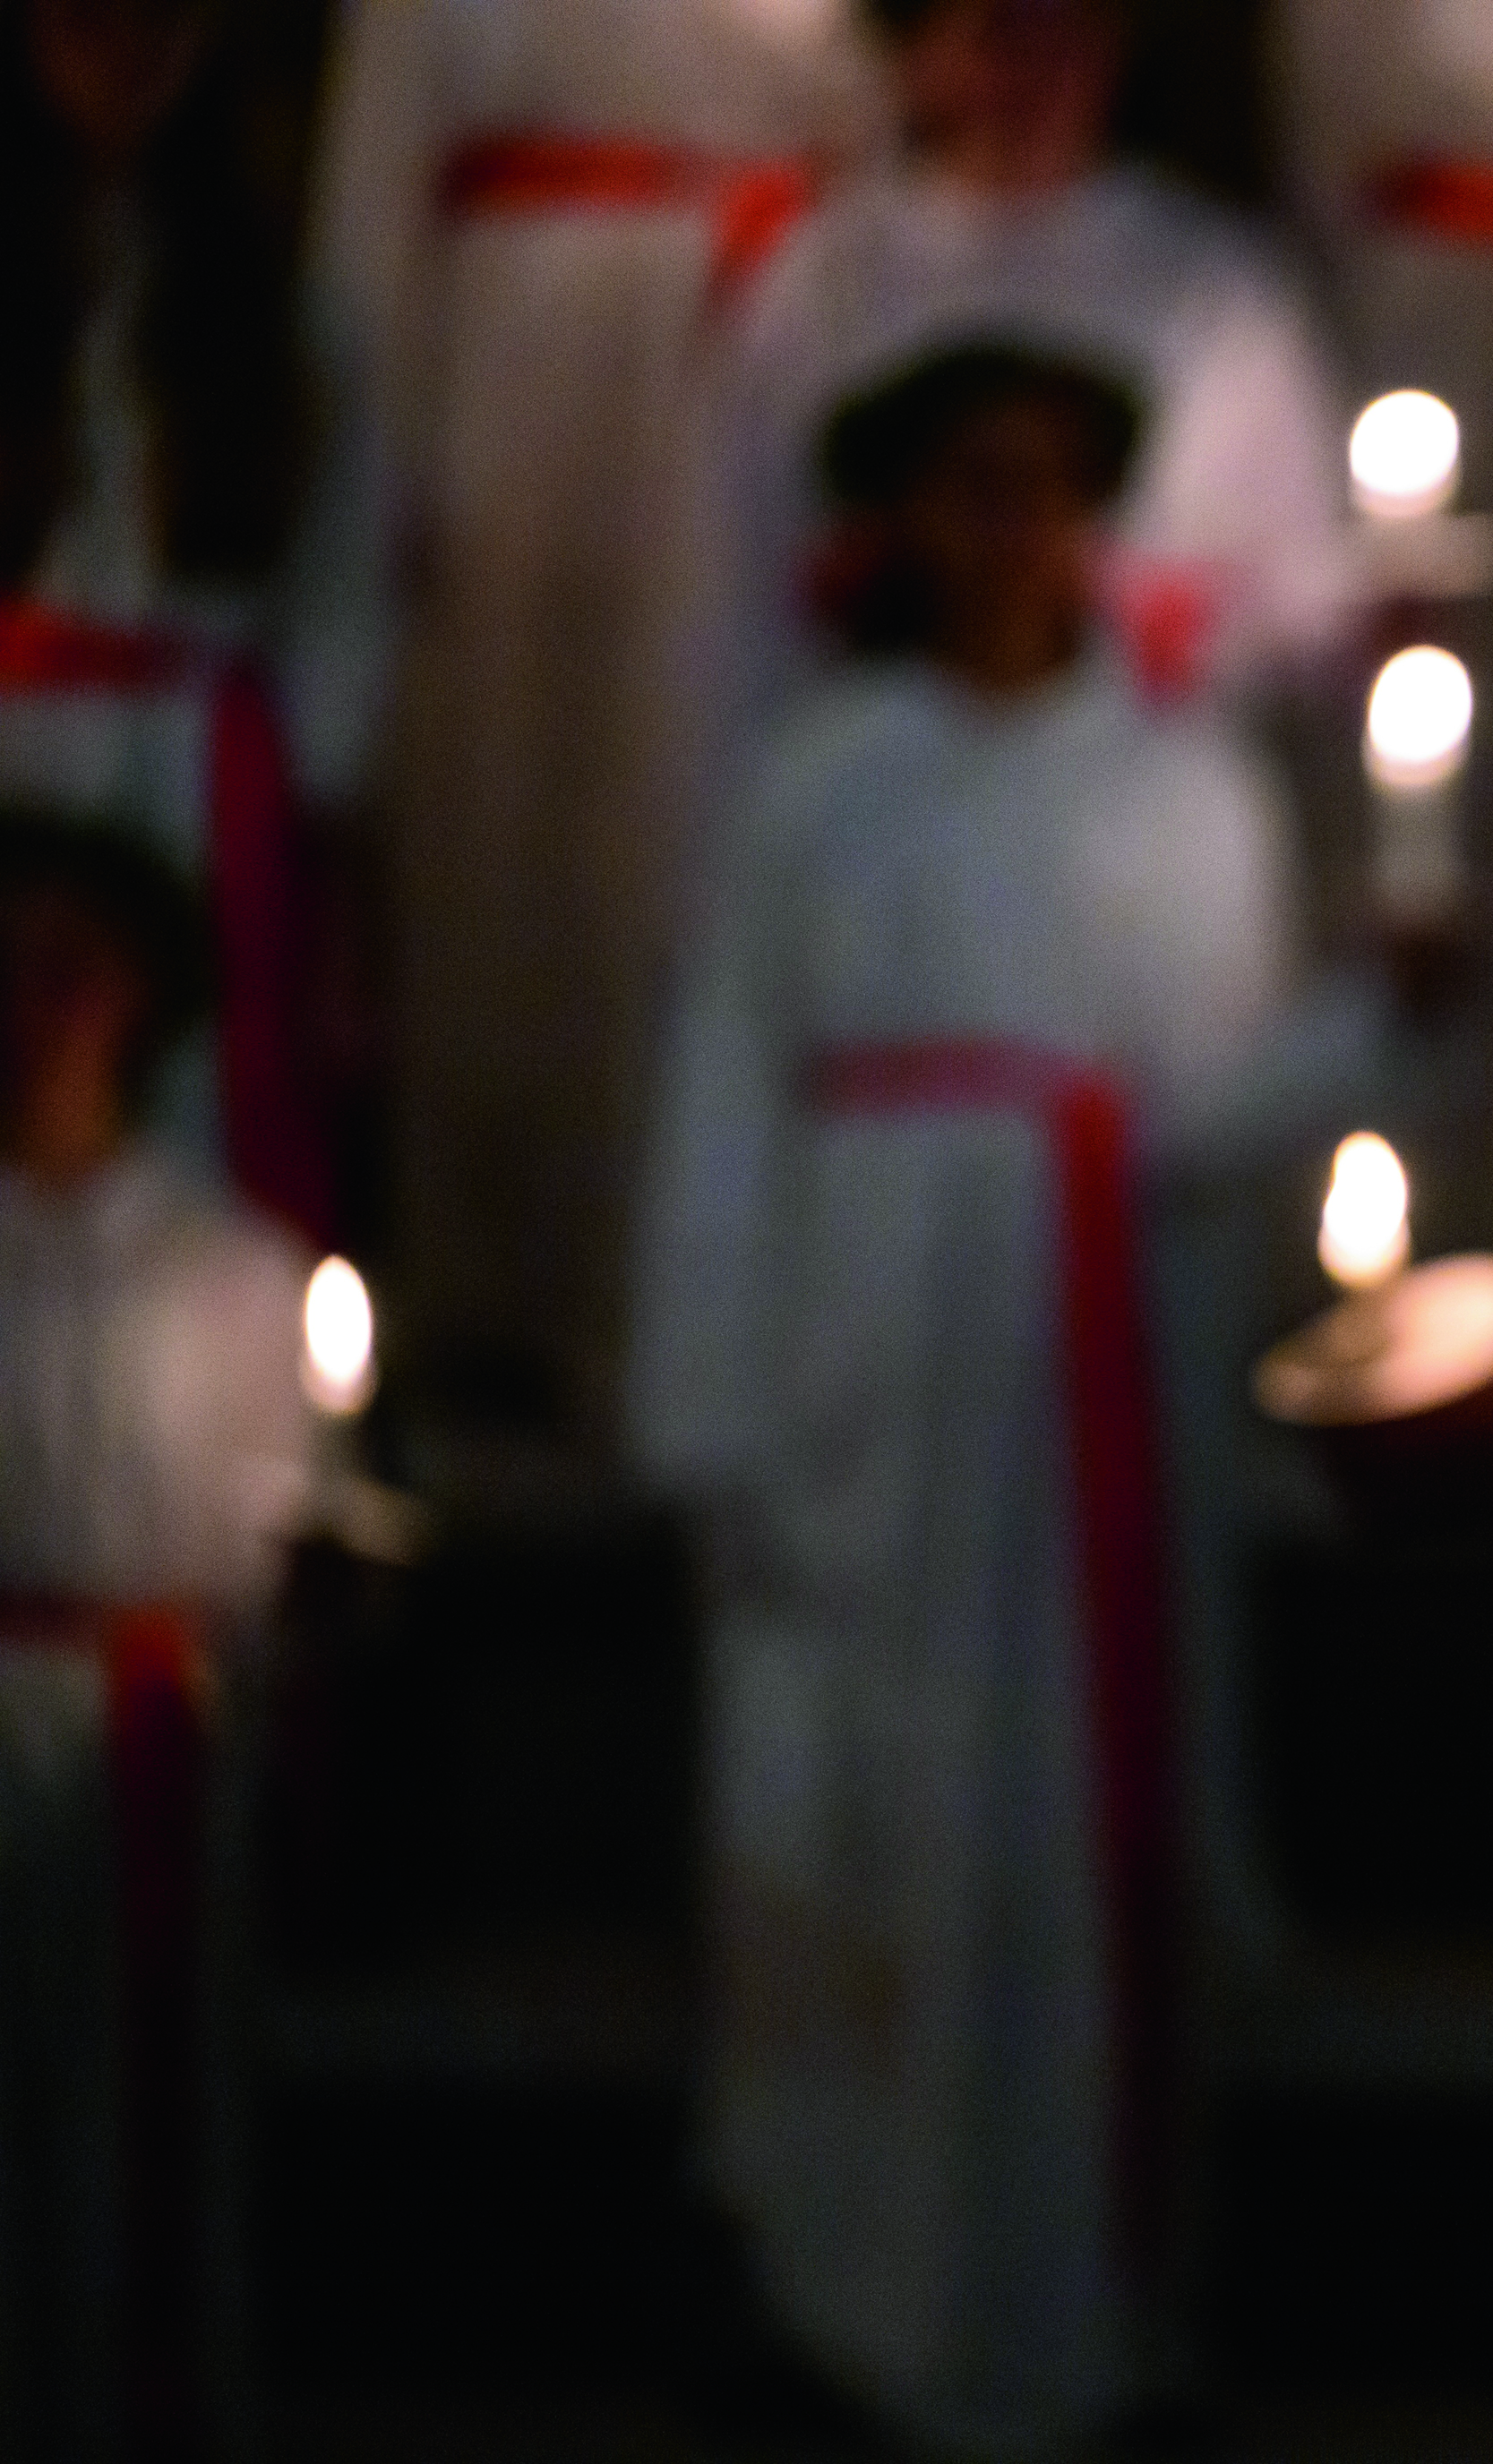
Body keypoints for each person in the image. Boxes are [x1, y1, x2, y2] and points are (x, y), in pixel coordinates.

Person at [628, 340, 1300, 2455]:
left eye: (1045, 484)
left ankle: (1083, 2300)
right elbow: (728, 1088)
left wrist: (1383, 1038)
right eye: (965, 484)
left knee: (1065, 1826)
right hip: (857, 1357)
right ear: (901, 518)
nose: (1007, 526)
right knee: (854, 1800)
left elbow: (1220, 1102)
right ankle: (850, 2298)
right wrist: (712, 1408)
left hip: (1084, 1365)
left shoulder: (1182, 791)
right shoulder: (820, 780)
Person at [315, 0, 876, 1458]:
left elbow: (873, 123)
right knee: (507, 850)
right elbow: (373, 216)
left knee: (687, 843)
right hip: (518, 384)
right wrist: (374, 491)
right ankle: (496, 1303)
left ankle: (681, 1308)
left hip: (745, 376)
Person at [0, 811, 312, 2461]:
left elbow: (269, 1535)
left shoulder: (224, 1267)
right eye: (9, 968)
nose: (35, 1008)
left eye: (73, 969)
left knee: (136, 2118)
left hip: (138, 1729)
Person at [709, 0, 1357, 756]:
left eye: (1066, 31)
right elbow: (741, 574)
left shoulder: (1219, 286)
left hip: (1141, 779)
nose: (1034, 71)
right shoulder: (822, 278)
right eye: (998, 32)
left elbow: (1300, 587)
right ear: (919, 59)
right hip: (869, 780)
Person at [4, 0, 390, 1246]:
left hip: (196, 768)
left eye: (160, 24)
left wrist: (323, 846)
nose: (126, 52)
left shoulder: (281, 310)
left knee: (190, 1108)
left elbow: (340, 596)